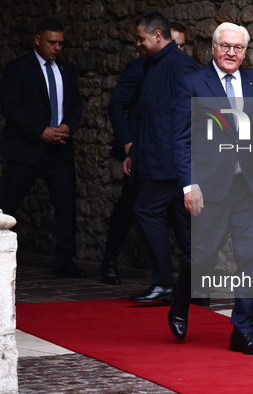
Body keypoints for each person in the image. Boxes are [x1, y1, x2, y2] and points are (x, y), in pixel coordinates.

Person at [169, 22, 253, 355]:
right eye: (226, 46)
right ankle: (181, 300)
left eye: (239, 47)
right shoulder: (192, 83)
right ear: (213, 47)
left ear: (245, 51)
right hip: (208, 188)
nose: (231, 53)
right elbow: (180, 139)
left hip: (245, 187)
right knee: (202, 258)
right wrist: (189, 185)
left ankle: (242, 332)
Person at [0, 19, 86, 278]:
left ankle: (65, 260)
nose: (57, 48)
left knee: (66, 204)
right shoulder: (18, 67)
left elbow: (77, 104)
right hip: (26, 149)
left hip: (60, 149)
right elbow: (10, 106)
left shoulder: (67, 69)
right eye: (51, 42)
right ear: (37, 39)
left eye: (60, 43)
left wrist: (68, 126)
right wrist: (39, 131)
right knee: (9, 202)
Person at [126, 12, 198, 302]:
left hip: (170, 163)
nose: (138, 44)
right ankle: (196, 285)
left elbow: (195, 112)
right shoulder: (156, 64)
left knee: (145, 210)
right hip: (160, 161)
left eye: (141, 38)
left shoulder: (179, 65)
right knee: (183, 223)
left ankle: (165, 283)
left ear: (158, 36)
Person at [100, 57, 146, 285]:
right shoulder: (138, 68)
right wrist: (129, 145)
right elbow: (117, 106)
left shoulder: (186, 68)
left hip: (174, 152)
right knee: (128, 205)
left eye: (181, 46)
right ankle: (109, 261)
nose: (176, 50)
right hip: (141, 151)